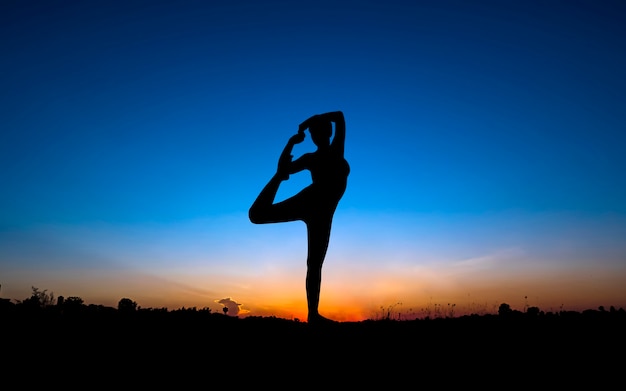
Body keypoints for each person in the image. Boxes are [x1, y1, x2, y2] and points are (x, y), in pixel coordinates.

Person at [249, 111, 349, 325]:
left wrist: (307, 122)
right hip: (310, 201)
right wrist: (290, 143)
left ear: (329, 133)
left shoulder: (336, 151)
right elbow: (284, 168)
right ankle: (313, 314)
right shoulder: (311, 158)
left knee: (314, 264)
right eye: (314, 133)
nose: (315, 136)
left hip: (323, 212)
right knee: (257, 215)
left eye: (319, 131)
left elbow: (339, 116)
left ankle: (313, 314)